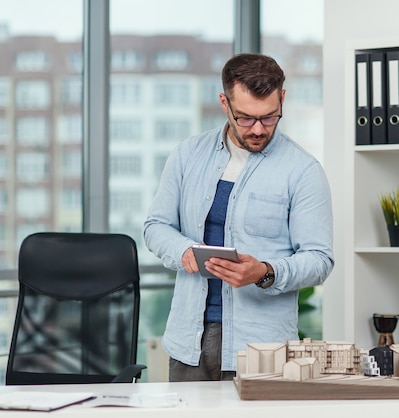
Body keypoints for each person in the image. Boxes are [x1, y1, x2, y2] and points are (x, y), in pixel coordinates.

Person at [143, 53, 334, 382]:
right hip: (189, 342)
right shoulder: (187, 155)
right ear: (224, 102)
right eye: (245, 118)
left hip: (261, 350)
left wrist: (265, 272)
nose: (258, 129)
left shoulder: (303, 171)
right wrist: (184, 251)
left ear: (282, 99)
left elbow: (320, 259)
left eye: (270, 117)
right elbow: (156, 227)